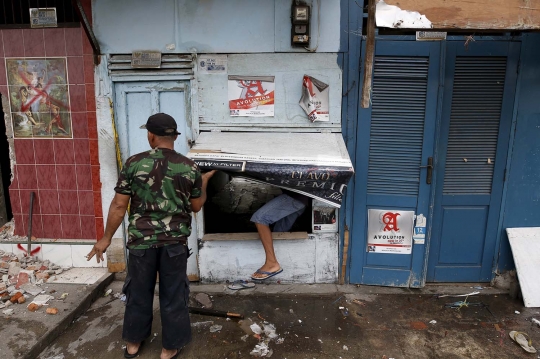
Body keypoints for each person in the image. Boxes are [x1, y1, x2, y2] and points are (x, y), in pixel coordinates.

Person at [86, 113, 215, 359]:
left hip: (140, 243)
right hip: (174, 243)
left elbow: (118, 205)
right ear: (175, 137)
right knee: (173, 293)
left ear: (151, 135)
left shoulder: (134, 163)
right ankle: (169, 348)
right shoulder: (190, 167)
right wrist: (205, 181)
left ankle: (133, 344)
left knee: (139, 292)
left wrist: (105, 238)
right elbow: (197, 206)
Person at [250, 190, 309, 280]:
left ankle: (271, 263)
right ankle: (283, 267)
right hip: (300, 199)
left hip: (295, 197)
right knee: (279, 231)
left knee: (260, 218)